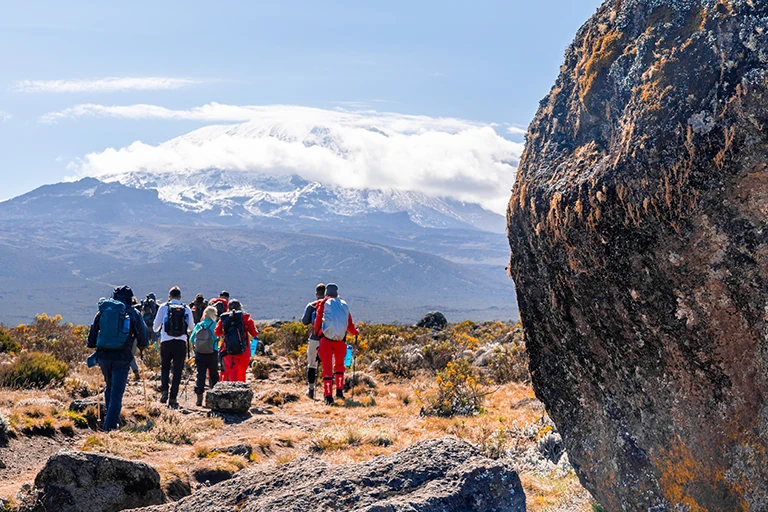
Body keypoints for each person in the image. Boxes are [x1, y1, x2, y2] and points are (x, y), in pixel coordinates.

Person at [87, 286, 149, 431]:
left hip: (103, 356)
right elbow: (143, 338)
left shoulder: (104, 310)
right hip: (122, 357)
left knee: (109, 387)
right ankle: (109, 427)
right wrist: (141, 346)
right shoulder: (133, 313)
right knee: (117, 392)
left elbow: (92, 337)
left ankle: (109, 421)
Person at [313, 283, 358, 405]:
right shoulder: (343, 305)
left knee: (327, 368)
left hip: (326, 340)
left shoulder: (324, 303)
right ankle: (339, 391)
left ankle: (328, 396)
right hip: (340, 341)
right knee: (339, 367)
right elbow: (349, 324)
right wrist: (355, 332)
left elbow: (318, 319)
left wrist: (316, 332)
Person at [153, 286, 195, 408]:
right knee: (177, 371)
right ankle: (173, 398)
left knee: (165, 367)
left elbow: (156, 326)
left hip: (166, 342)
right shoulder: (186, 308)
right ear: (180, 297)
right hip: (180, 342)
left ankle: (164, 390)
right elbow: (191, 328)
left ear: (169, 296)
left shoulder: (163, 307)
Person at [215, 299, 258, 382]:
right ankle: (242, 391)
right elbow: (254, 334)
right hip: (243, 350)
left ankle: (231, 391)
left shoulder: (224, 319)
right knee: (242, 372)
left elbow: (217, 333)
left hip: (228, 350)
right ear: (240, 307)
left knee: (231, 373)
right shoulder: (246, 319)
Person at [189, 306, 220, 406]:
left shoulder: (199, 325)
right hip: (212, 353)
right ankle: (214, 397)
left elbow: (191, 339)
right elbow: (218, 337)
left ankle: (199, 398)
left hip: (200, 354)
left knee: (200, 375)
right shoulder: (215, 325)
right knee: (213, 374)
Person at [300, 283, 326, 400]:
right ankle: (327, 391)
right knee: (327, 366)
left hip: (315, 338)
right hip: (329, 340)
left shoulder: (312, 306)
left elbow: (304, 321)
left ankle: (311, 389)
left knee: (312, 364)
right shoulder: (332, 305)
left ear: (316, 294)